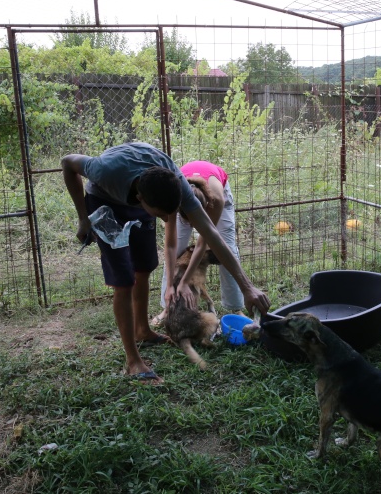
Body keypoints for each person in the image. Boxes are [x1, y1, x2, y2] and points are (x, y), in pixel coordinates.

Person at [61, 142, 270, 385]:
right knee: (124, 280)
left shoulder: (177, 182)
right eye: (161, 215)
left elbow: (211, 235)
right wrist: (82, 218)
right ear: (140, 199)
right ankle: (133, 360)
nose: (164, 220)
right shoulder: (103, 170)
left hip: (140, 198)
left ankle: (142, 331)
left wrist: (247, 287)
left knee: (145, 266)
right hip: (105, 201)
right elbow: (68, 163)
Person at [154, 161, 245, 324]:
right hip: (182, 194)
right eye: (188, 221)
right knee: (178, 249)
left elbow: (203, 244)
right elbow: (170, 246)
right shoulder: (173, 199)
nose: (192, 225)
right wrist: (171, 286)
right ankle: (168, 307)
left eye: (195, 221)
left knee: (227, 249)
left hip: (216, 190)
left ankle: (236, 307)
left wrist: (183, 281)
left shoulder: (215, 200)